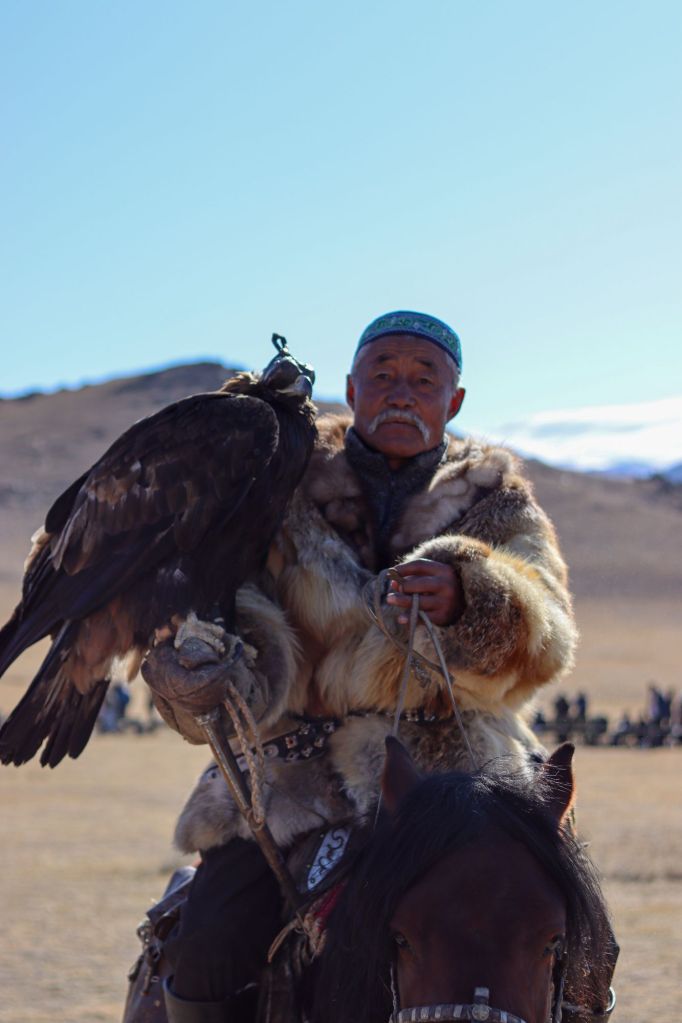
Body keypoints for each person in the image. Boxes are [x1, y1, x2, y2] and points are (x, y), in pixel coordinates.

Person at [141, 310, 578, 1022]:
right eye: (383, 375)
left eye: (423, 378)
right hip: (288, 775)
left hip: (459, 772)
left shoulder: (499, 503)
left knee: (569, 928)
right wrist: (207, 673)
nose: (401, 392)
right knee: (209, 947)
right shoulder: (278, 487)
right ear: (350, 387)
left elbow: (550, 634)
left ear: (455, 400)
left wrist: (472, 597)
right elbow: (235, 611)